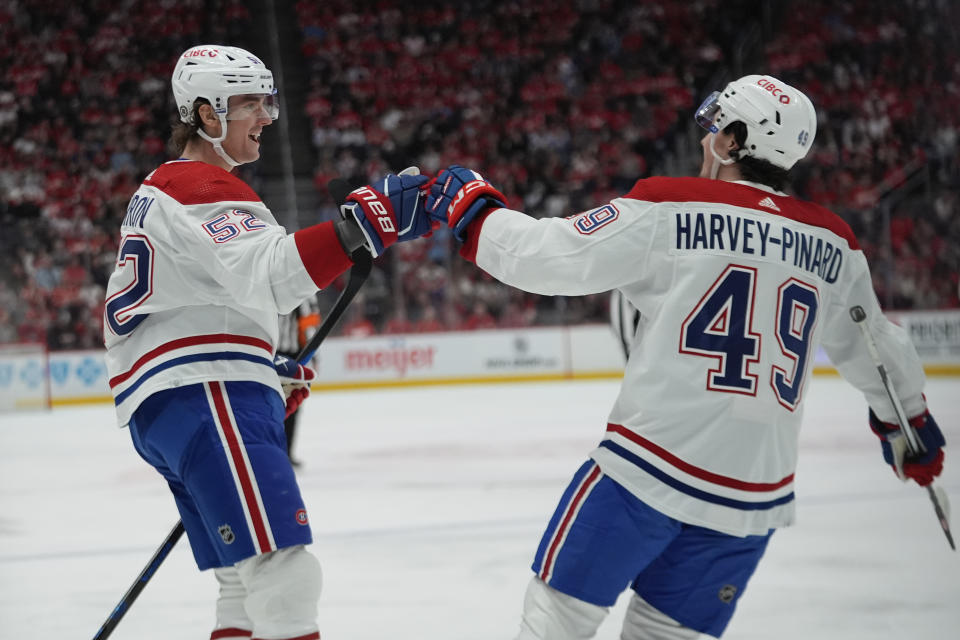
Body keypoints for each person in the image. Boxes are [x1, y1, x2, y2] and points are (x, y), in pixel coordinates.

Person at [425, 74, 947, 639]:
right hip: (752, 496)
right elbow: (874, 349)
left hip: (645, 472)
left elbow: (545, 259)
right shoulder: (834, 244)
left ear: (731, 142)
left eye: (715, 129)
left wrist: (471, 208)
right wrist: (909, 426)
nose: (705, 142)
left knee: (555, 623)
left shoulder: (668, 205)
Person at [103, 44, 434, 640]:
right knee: (284, 572)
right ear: (206, 115)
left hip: (181, 397)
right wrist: (367, 220)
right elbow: (276, 276)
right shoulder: (198, 185)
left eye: (269, 101)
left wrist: (259, 367)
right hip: (204, 393)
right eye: (251, 103)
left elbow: (205, 300)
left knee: (242, 580)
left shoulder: (169, 189)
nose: (268, 116)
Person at [276, 297, 322, 466]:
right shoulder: (304, 294)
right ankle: (283, 453)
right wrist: (314, 355)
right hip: (290, 356)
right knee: (287, 406)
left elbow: (309, 325)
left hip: (284, 354)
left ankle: (283, 453)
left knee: (284, 406)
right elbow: (309, 327)